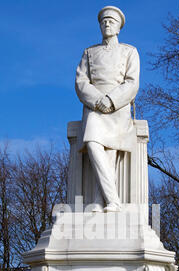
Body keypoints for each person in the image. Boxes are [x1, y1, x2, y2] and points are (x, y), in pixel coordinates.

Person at [75, 6, 140, 212]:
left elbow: (132, 82)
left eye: (111, 21)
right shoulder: (89, 52)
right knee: (93, 144)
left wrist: (111, 100)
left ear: (118, 27)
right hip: (94, 107)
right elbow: (81, 82)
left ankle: (98, 200)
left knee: (110, 152)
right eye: (104, 21)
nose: (107, 24)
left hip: (117, 107)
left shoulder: (129, 51)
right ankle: (113, 199)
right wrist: (97, 100)